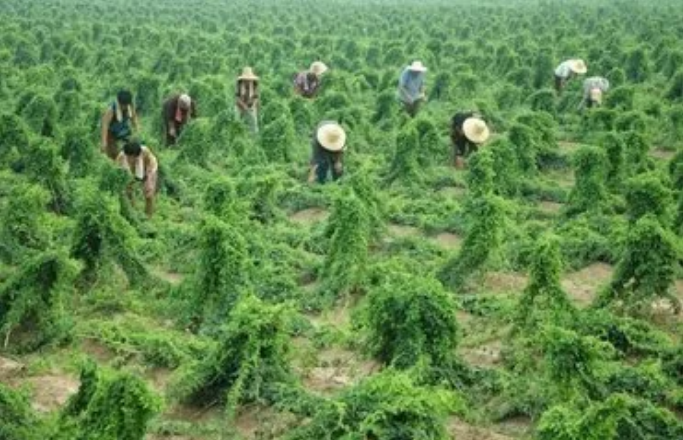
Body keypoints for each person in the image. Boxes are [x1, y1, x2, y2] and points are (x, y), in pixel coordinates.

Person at [116, 139, 159, 219]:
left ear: (137, 155)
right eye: (129, 157)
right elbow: (120, 174)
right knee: (128, 191)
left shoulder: (145, 152)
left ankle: (148, 216)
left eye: (133, 158)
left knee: (149, 193)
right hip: (131, 172)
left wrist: (149, 181)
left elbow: (150, 167)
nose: (131, 160)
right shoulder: (121, 157)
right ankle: (133, 213)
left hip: (149, 169)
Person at [101, 90, 140, 160]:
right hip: (111, 134)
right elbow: (105, 125)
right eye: (123, 105)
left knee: (131, 151)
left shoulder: (130, 106)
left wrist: (137, 131)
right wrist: (104, 143)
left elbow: (134, 118)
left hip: (124, 132)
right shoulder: (111, 109)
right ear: (119, 102)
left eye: (126, 105)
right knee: (114, 155)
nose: (124, 107)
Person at [235, 67, 260, 133]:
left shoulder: (254, 84)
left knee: (253, 122)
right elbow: (237, 98)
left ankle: (254, 136)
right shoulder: (239, 84)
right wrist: (244, 106)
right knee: (237, 121)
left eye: (249, 79)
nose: (247, 80)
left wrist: (252, 106)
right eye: (246, 79)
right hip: (240, 105)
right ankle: (238, 133)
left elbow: (256, 97)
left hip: (251, 105)